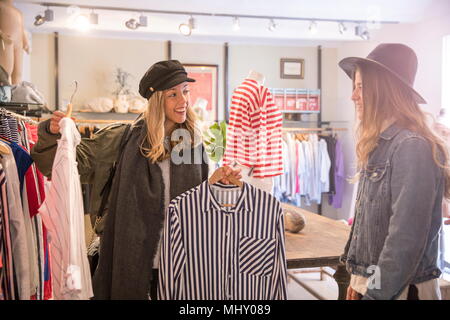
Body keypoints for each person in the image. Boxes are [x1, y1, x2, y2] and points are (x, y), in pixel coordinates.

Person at [31, 60, 241, 300]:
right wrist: (52, 133)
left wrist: (216, 181)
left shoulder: (191, 144)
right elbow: (61, 165)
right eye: (173, 94)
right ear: (156, 100)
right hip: (133, 260)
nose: (183, 101)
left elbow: (195, 200)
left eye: (185, 91)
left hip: (182, 261)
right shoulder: (124, 139)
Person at [338, 43, 450, 300]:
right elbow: (370, 228)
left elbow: (403, 243)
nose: (353, 96)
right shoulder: (381, 144)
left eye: (360, 87)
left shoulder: (411, 147)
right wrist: (357, 277)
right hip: (380, 285)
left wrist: (373, 292)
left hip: (400, 291)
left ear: (383, 89)